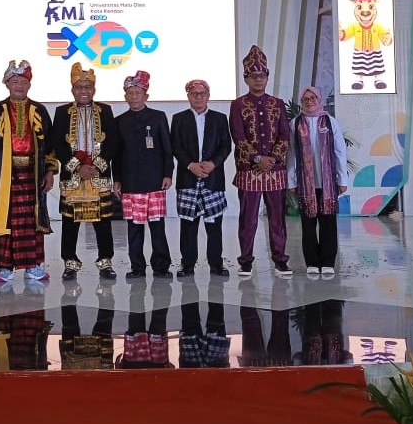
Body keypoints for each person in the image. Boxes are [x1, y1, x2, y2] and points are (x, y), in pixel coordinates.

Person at [0, 60, 58, 283]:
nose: (19, 86)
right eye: (15, 82)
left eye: (23, 82)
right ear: (7, 84)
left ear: (29, 84)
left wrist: (50, 172)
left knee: (32, 219)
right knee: (6, 218)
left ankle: (33, 265)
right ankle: (5, 267)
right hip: (4, 173)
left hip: (34, 173)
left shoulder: (39, 110)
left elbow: (50, 144)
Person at [51, 62, 120, 281]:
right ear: (72, 89)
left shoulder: (105, 110)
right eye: (79, 87)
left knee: (103, 222)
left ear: (94, 89)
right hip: (73, 177)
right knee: (70, 222)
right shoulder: (62, 112)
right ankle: (70, 263)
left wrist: (96, 165)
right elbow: (57, 143)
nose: (84, 91)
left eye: (88, 87)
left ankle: (105, 262)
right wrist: (78, 167)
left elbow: (113, 142)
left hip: (99, 175)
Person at [229, 45, 292, 277]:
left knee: (277, 219)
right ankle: (245, 260)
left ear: (267, 77)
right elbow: (238, 137)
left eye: (262, 75)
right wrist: (257, 158)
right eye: (253, 76)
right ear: (246, 78)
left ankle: (280, 260)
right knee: (248, 219)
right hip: (249, 169)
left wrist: (272, 159)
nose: (258, 79)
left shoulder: (277, 103)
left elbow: (285, 135)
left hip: (275, 169)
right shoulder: (237, 104)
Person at [113, 71, 174, 279]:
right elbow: (117, 154)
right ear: (125, 97)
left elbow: (167, 149)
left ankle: (161, 266)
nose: (134, 97)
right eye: (130, 93)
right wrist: (117, 179)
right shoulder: (120, 121)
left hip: (155, 180)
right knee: (134, 229)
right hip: (130, 182)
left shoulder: (158, 117)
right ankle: (137, 267)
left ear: (146, 95)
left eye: (137, 93)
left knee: (157, 227)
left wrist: (168, 174)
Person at [170, 79, 231, 278]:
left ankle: (216, 264)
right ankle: (187, 264)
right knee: (188, 225)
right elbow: (175, 146)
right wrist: (191, 165)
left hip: (213, 178)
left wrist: (213, 163)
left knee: (214, 225)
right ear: (188, 96)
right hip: (188, 178)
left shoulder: (219, 118)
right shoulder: (179, 119)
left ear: (208, 95)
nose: (198, 97)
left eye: (202, 93)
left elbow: (226, 145)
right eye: (194, 93)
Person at [287, 86, 348, 278]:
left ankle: (328, 262)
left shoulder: (330, 122)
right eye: (305, 99)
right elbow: (291, 154)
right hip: (305, 184)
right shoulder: (295, 123)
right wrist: (291, 181)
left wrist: (342, 179)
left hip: (328, 183)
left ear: (319, 100)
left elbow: (340, 152)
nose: (309, 101)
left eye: (313, 98)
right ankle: (312, 262)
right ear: (301, 102)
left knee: (328, 223)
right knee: (308, 224)